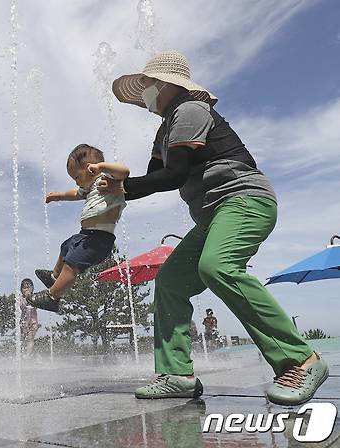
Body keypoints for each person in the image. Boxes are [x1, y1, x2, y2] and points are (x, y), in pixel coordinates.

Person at [109, 51, 327, 405]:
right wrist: (104, 194)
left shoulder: (190, 110)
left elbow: (175, 175)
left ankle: (301, 360)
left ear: (165, 85)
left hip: (245, 200)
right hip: (214, 216)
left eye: (147, 85)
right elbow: (153, 178)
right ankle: (177, 373)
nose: (144, 92)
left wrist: (122, 189)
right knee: (171, 281)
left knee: (218, 266)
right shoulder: (166, 129)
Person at [29, 144, 130, 312]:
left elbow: (124, 171)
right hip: (85, 236)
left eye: (76, 176)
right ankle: (55, 277)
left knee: (72, 264)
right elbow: (75, 194)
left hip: (100, 239)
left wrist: (101, 166)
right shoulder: (88, 188)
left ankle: (52, 296)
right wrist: (59, 196)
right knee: (66, 246)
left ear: (89, 168)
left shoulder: (107, 180)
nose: (76, 181)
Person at [19, 278, 39, 357]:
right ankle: (21, 353)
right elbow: (21, 307)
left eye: (28, 287)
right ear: (21, 289)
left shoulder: (34, 297)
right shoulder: (20, 298)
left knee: (30, 338)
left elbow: (37, 306)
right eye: (24, 288)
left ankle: (28, 355)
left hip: (33, 322)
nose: (26, 289)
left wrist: (30, 298)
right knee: (23, 338)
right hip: (23, 322)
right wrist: (26, 299)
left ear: (32, 289)